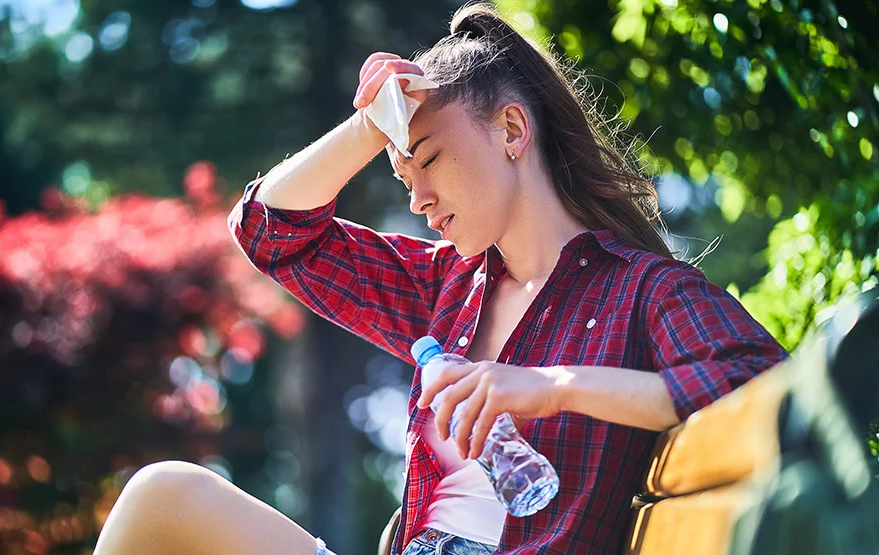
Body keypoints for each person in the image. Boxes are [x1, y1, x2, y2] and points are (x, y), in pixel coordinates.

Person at [92, 3, 789, 555]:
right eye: (402, 173)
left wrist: (555, 387)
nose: (418, 197)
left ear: (513, 130)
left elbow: (766, 387)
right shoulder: (445, 287)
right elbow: (270, 232)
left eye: (429, 158)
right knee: (162, 496)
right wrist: (370, 127)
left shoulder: (644, 291)